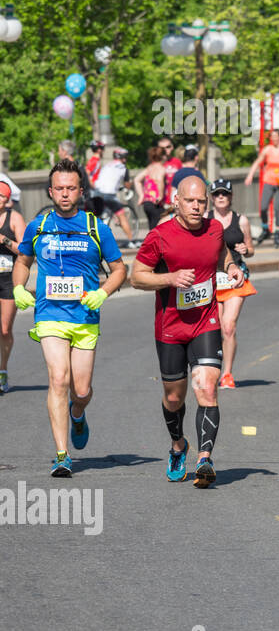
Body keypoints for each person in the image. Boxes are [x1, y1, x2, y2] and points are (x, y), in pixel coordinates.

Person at [11, 160, 126, 474]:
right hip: (49, 314)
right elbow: (22, 260)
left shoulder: (95, 228)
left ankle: (78, 413)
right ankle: (62, 455)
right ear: (50, 191)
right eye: (59, 188)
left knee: (82, 390)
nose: (64, 194)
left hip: (85, 316)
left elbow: (120, 270)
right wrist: (19, 287)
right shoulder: (39, 226)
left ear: (80, 191)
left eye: (70, 188)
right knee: (58, 378)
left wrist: (103, 292)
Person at [131, 174, 243, 486]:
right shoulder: (160, 236)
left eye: (201, 202)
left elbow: (220, 253)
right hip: (170, 328)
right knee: (173, 397)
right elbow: (136, 277)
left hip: (205, 322)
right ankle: (178, 445)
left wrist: (231, 267)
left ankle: (205, 459)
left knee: (207, 388)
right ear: (176, 202)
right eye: (190, 201)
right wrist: (169, 278)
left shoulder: (215, 229)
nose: (196, 207)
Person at [209, 179, 258, 389]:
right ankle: (213, 369)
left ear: (231, 197)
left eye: (225, 194)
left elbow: (251, 248)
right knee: (217, 327)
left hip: (236, 278)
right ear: (211, 197)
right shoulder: (204, 219)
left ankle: (227, 374)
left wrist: (247, 250)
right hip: (212, 278)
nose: (221, 197)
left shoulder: (242, 220)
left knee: (228, 326)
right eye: (218, 194)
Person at [0, 177, 28, 393]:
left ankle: (2, 371)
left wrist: (4, 241)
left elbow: (25, 250)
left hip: (8, 279)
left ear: (7, 200)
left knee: (5, 328)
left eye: (1, 196)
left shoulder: (14, 218)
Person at [246, 130, 279, 244]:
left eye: (275, 136)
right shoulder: (267, 149)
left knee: (277, 208)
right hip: (269, 181)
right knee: (263, 207)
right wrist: (250, 175)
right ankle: (265, 229)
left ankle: (277, 231)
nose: (273, 139)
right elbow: (258, 162)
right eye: (271, 137)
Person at [91, 146, 135, 247]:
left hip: (97, 193)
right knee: (122, 216)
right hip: (109, 195)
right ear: (123, 158)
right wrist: (128, 186)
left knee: (100, 217)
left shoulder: (106, 165)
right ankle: (131, 241)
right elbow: (127, 185)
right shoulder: (123, 168)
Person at [133, 145, 168, 230]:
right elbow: (159, 180)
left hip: (147, 203)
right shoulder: (161, 169)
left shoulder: (149, 168)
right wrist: (160, 196)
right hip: (156, 202)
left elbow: (136, 180)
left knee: (152, 226)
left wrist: (141, 195)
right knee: (159, 227)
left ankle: (151, 242)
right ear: (163, 157)